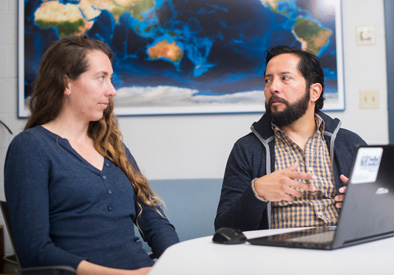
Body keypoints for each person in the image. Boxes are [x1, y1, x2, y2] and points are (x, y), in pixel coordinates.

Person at [4, 35, 179, 275]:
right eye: (101, 78)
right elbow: (35, 251)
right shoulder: (30, 148)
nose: (112, 90)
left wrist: (180, 262)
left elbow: (152, 220)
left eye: (111, 79)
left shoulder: (112, 146)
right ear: (67, 83)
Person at [215, 45, 367, 231]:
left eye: (285, 78)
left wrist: (364, 203)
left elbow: (381, 213)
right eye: (267, 80)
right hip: (278, 255)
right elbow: (224, 229)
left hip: (341, 252)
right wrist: (257, 192)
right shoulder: (246, 149)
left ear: (314, 92)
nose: (273, 88)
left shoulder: (350, 143)